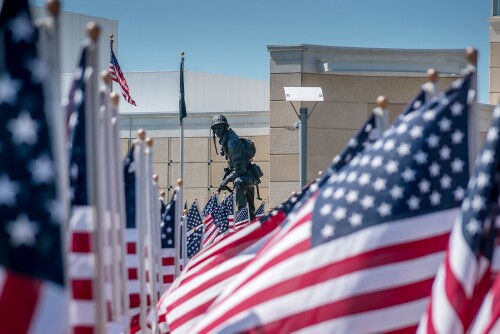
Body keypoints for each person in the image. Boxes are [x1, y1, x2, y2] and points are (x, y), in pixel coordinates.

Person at [211, 115, 262, 220]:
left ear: (225, 127)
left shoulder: (231, 143)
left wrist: (225, 181)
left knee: (238, 182)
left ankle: (241, 218)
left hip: (248, 175)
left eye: (219, 127)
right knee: (251, 208)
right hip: (245, 174)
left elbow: (240, 169)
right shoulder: (226, 140)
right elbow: (232, 163)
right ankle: (247, 219)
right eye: (215, 128)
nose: (217, 131)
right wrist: (226, 176)